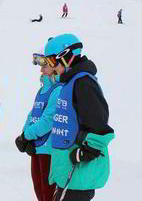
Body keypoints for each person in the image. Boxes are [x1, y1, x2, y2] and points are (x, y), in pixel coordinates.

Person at [43, 34, 115, 201]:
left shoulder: (84, 83)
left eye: (53, 62)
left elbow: (99, 123)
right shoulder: (71, 82)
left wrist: (86, 152)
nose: (52, 68)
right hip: (68, 170)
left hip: (78, 171)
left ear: (66, 56)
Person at [15, 51, 63, 201]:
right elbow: (33, 114)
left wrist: (26, 136)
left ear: (54, 67)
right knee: (39, 191)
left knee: (48, 193)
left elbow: (48, 120)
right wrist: (25, 135)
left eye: (44, 66)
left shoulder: (59, 90)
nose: (41, 70)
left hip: (48, 149)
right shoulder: (42, 90)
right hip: (37, 146)